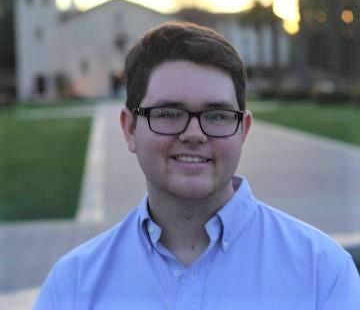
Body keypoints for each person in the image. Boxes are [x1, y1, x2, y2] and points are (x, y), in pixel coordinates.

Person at [34, 22, 360, 309]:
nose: (194, 134)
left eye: (217, 115)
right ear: (130, 129)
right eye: (169, 113)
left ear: (243, 131)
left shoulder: (322, 273)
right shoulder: (73, 286)